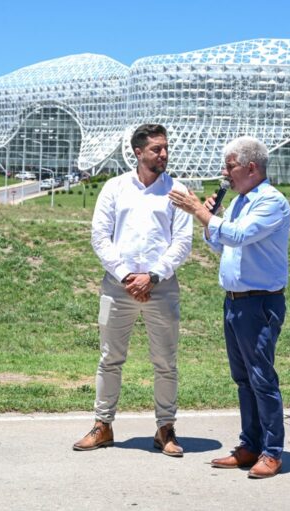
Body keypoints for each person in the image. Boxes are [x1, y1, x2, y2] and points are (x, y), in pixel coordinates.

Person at [168, 136, 290, 478]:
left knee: (261, 378)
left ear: (251, 168)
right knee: (242, 379)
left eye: (230, 166)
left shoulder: (272, 203)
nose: (225, 173)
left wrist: (202, 213)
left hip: (260, 303)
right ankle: (250, 444)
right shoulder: (238, 203)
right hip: (235, 302)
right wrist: (212, 221)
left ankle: (272, 451)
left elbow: (238, 236)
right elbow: (224, 245)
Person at [73, 124, 193, 457]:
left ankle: (165, 428)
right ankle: (103, 424)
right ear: (138, 152)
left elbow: (182, 242)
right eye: (156, 149)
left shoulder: (177, 191)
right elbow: (100, 236)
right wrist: (127, 276)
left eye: (166, 147)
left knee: (165, 362)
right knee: (110, 358)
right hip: (118, 286)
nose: (164, 154)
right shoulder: (114, 188)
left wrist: (153, 276)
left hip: (161, 288)